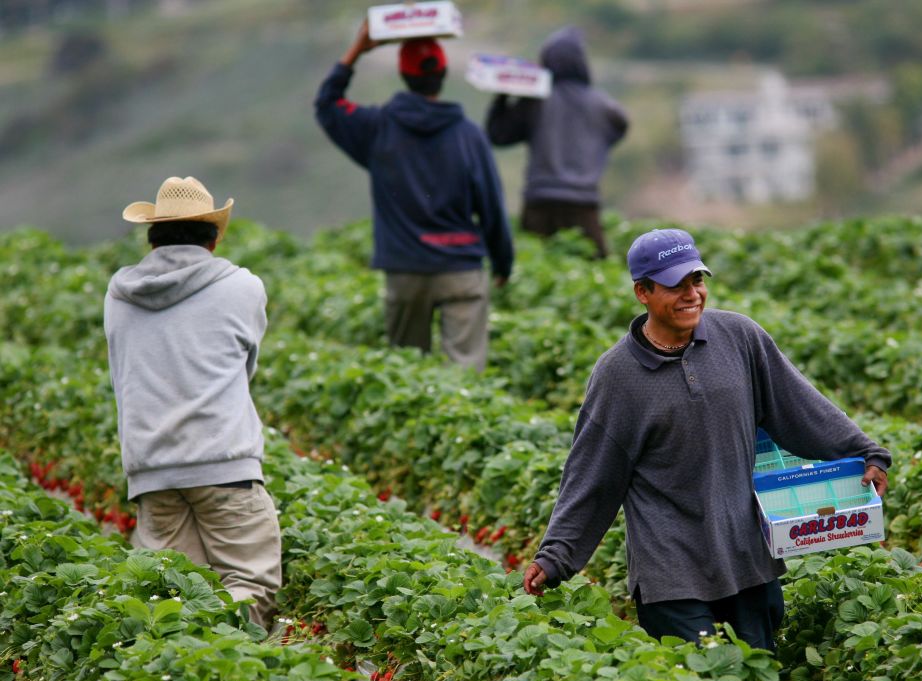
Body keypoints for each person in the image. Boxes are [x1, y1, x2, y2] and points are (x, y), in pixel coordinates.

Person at [522, 228, 891, 652]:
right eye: (674, 285)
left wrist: (865, 452)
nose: (691, 294)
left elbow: (799, 408)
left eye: (696, 281)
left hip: (747, 556)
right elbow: (593, 474)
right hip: (670, 572)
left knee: (757, 677)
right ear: (642, 291)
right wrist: (556, 556)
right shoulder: (617, 376)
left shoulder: (740, 338)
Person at [104, 176, 281, 629]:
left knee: (171, 601)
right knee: (247, 589)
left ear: (152, 237)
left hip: (151, 471)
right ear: (214, 237)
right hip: (224, 464)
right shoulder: (243, 287)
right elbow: (245, 367)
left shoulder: (118, 295)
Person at [314, 23, 515, 371]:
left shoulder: (376, 127)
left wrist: (356, 50)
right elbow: (492, 206)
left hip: (405, 268)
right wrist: (502, 261)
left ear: (403, 75)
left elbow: (327, 104)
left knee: (407, 374)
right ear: (443, 73)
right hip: (461, 267)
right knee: (465, 379)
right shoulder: (469, 136)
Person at [486, 26, 629, 259]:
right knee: (592, 268)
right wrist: (598, 146)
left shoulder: (535, 102)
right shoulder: (602, 106)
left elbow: (498, 135)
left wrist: (502, 96)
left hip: (539, 201)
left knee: (535, 265)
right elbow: (621, 124)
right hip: (584, 203)